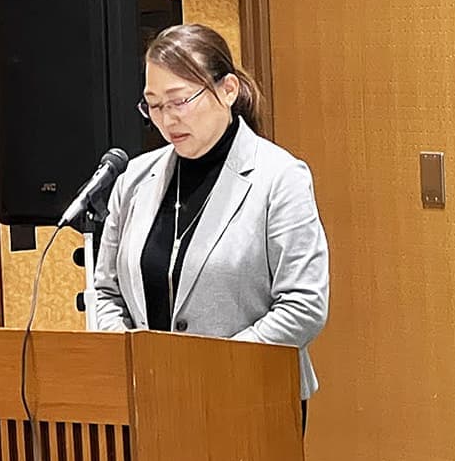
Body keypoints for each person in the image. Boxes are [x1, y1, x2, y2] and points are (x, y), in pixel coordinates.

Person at [92, 24, 329, 422]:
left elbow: (304, 306)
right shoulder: (133, 180)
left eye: (179, 101)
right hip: (149, 402)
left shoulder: (279, 178)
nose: (167, 119)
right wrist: (130, 366)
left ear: (228, 90)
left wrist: (212, 373)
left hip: (250, 402)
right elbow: (106, 292)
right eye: (153, 105)